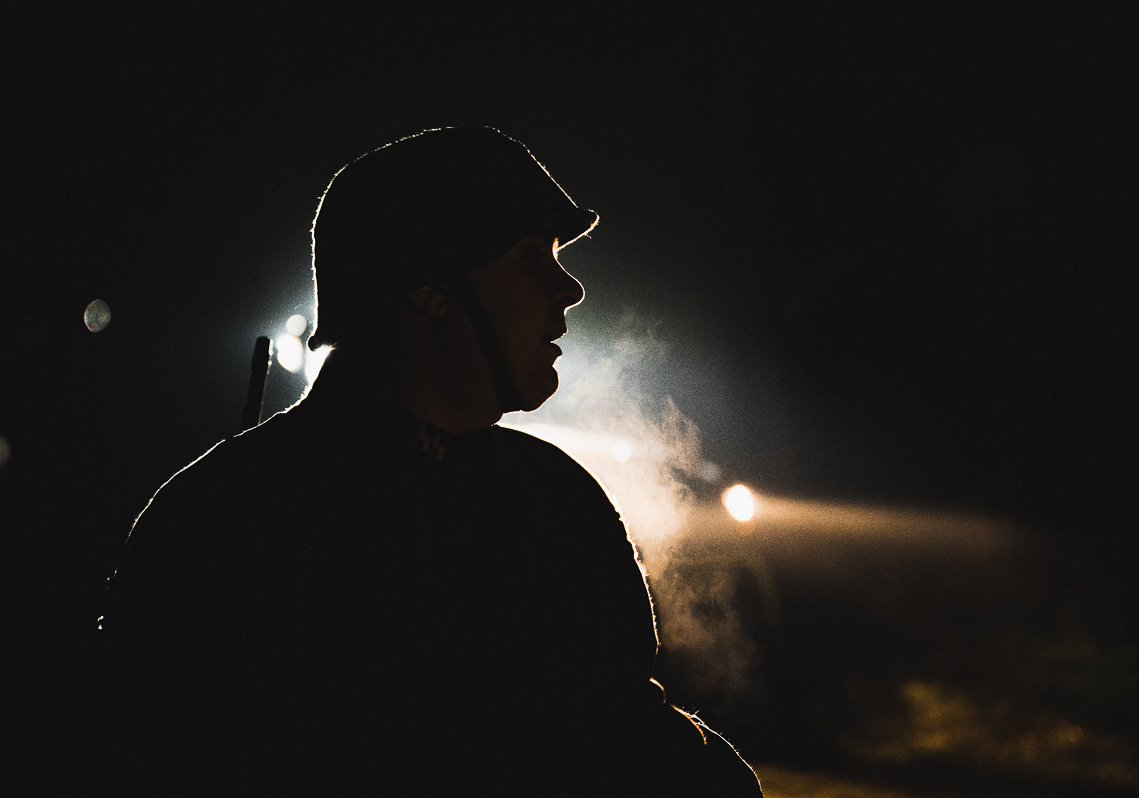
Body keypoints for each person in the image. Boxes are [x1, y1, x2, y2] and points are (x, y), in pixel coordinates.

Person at [99, 127, 763, 795]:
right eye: (532, 258)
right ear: (428, 289)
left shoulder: (559, 496)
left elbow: (623, 731)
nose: (569, 289)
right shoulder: (225, 523)